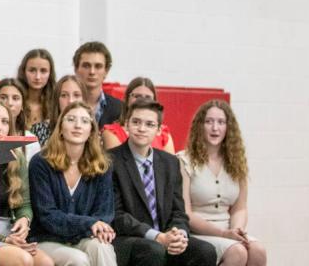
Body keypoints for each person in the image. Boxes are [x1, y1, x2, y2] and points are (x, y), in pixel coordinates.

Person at [109, 100, 216, 266]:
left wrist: (178, 234)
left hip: (165, 236)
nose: (142, 128)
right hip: (129, 239)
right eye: (136, 122)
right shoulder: (110, 161)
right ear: (126, 125)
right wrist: (157, 236)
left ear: (159, 130)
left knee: (205, 251)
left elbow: (179, 211)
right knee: (153, 250)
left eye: (149, 124)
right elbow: (116, 215)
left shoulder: (170, 162)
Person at [28, 102, 117, 266]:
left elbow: (104, 213)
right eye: (71, 119)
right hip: (47, 239)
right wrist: (89, 224)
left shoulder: (102, 166)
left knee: (102, 247)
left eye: (84, 121)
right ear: (60, 128)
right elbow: (47, 216)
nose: (77, 125)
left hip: (83, 237)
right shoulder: (41, 162)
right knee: (78, 259)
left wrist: (99, 228)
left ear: (91, 131)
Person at [178, 101, 266, 266]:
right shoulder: (184, 161)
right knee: (237, 253)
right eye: (209, 121)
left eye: (221, 122)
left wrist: (236, 230)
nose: (215, 128)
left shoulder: (236, 161)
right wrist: (224, 234)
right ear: (200, 126)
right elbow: (186, 213)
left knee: (258, 250)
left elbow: (240, 208)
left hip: (229, 230)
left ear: (228, 127)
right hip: (198, 232)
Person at [0, 102, 54, 266]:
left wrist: (24, 220)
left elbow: (24, 204)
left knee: (45, 263)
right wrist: (5, 239)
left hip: (8, 230)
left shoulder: (16, 157)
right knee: (22, 260)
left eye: (4, 122)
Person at [102, 77, 176, 153]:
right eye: (137, 96)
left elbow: (170, 163)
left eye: (148, 97)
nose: (142, 101)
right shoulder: (112, 132)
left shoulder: (163, 134)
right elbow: (117, 163)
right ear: (127, 99)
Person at [33, 74, 90, 149]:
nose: (70, 101)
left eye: (76, 95)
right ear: (57, 99)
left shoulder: (90, 131)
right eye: (64, 95)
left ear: (84, 99)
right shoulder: (38, 130)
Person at [73, 42, 122, 127]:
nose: (92, 72)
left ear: (106, 71)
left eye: (98, 66)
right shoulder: (63, 104)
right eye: (86, 66)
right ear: (76, 69)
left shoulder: (120, 108)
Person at [0, 78, 41, 160]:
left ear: (22, 105)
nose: (9, 103)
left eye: (15, 98)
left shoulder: (31, 141)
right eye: (3, 97)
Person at [18, 49, 57, 138]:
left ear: (50, 74)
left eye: (43, 71)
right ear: (24, 72)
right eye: (32, 70)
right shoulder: (14, 100)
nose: (37, 77)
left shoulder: (56, 103)